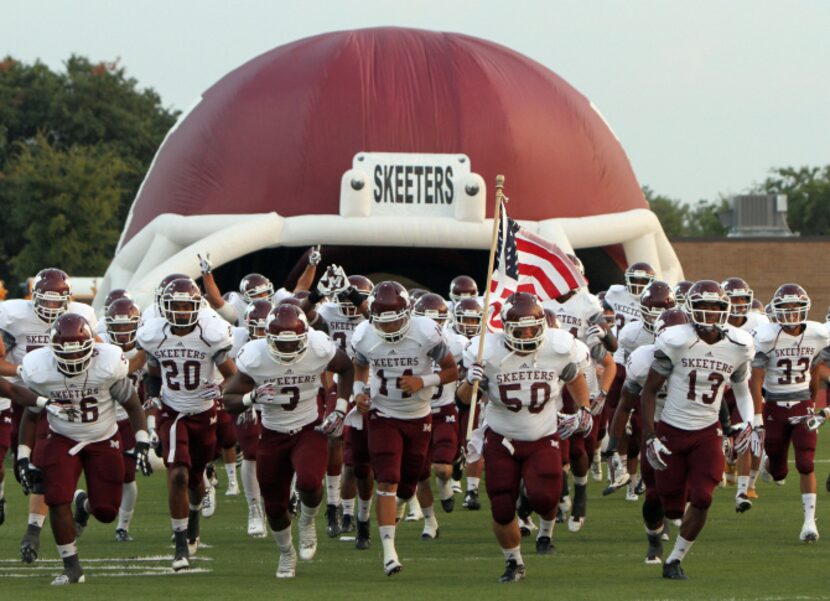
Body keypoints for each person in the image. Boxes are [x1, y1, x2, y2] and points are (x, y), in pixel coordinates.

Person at [459, 292, 591, 583]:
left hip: (542, 435)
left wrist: (584, 409)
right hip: (502, 438)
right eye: (521, 329)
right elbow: (463, 400)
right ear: (505, 327)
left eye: (533, 328)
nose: (528, 334)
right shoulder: (487, 352)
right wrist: (470, 380)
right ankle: (514, 562)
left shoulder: (557, 348)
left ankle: (545, 531)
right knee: (502, 505)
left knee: (545, 497)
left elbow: (574, 377)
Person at [18, 313, 151, 585]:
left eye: (78, 353)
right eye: (65, 355)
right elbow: (31, 415)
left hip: (103, 437)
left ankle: (84, 505)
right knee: (56, 497)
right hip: (62, 437)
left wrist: (141, 438)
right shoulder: (39, 368)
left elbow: (132, 402)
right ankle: (72, 567)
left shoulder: (108, 363)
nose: (72, 361)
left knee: (106, 511)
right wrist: (22, 455)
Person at [223, 304, 354, 579]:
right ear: (268, 339)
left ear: (305, 336)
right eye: (281, 344)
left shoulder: (319, 347)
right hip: (272, 433)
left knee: (309, 482)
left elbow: (346, 368)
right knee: (274, 506)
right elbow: (229, 400)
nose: (288, 349)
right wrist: (252, 398)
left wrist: (340, 409)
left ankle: (307, 521)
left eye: (294, 342)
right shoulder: (255, 357)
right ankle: (286, 554)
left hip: (309, 427)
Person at [640, 280, 756, 580]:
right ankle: (656, 535)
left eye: (716, 307)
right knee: (672, 506)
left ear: (725, 309)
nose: (710, 312)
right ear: (691, 309)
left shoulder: (738, 345)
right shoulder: (676, 340)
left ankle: (675, 559)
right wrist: (650, 435)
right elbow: (649, 391)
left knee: (704, 496)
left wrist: (749, 424)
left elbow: (742, 391)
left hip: (708, 432)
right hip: (672, 430)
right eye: (703, 306)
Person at [351, 281, 458, 576]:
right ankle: (388, 551)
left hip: (420, 416)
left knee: (409, 482)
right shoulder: (364, 336)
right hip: (383, 414)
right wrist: (359, 392)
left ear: (408, 313)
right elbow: (359, 367)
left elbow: (452, 370)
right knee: (386, 480)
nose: (390, 328)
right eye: (383, 322)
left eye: (396, 320)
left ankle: (399, 510)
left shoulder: (425, 332)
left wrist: (423, 381)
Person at [136, 277, 236, 571]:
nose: (180, 311)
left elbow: (231, 375)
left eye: (185, 306)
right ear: (164, 308)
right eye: (174, 306)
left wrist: (221, 390)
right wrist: (153, 398)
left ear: (196, 307)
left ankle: (193, 517)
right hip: (173, 411)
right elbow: (153, 374)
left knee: (194, 478)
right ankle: (180, 545)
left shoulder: (210, 334)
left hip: (204, 413)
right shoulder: (155, 334)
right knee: (177, 473)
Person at [0, 268, 98, 563]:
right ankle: (75, 501)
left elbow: (98, 352)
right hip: (17, 397)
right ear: (34, 297)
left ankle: (32, 530)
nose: (52, 308)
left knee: (42, 466)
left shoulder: (80, 318)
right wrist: (23, 370)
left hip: (56, 399)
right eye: (46, 300)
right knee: (21, 469)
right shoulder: (12, 315)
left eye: (58, 302)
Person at [751, 283, 830, 542]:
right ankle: (769, 463)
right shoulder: (766, 336)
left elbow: (816, 368)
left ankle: (809, 523)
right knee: (779, 471)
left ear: (805, 308)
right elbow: (756, 378)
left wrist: (811, 400)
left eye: (796, 307)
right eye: (786, 307)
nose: (791, 313)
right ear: (776, 310)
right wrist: (758, 414)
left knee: (806, 462)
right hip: (774, 404)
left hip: (802, 405)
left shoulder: (817, 334)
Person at [102, 297, 148, 541]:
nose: (121, 331)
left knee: (128, 475)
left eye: (125, 325)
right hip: (102, 420)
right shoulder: (102, 349)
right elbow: (126, 368)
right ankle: (84, 503)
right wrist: (144, 354)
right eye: (117, 326)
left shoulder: (145, 345)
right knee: (104, 476)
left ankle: (123, 526)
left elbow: (156, 378)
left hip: (129, 420)